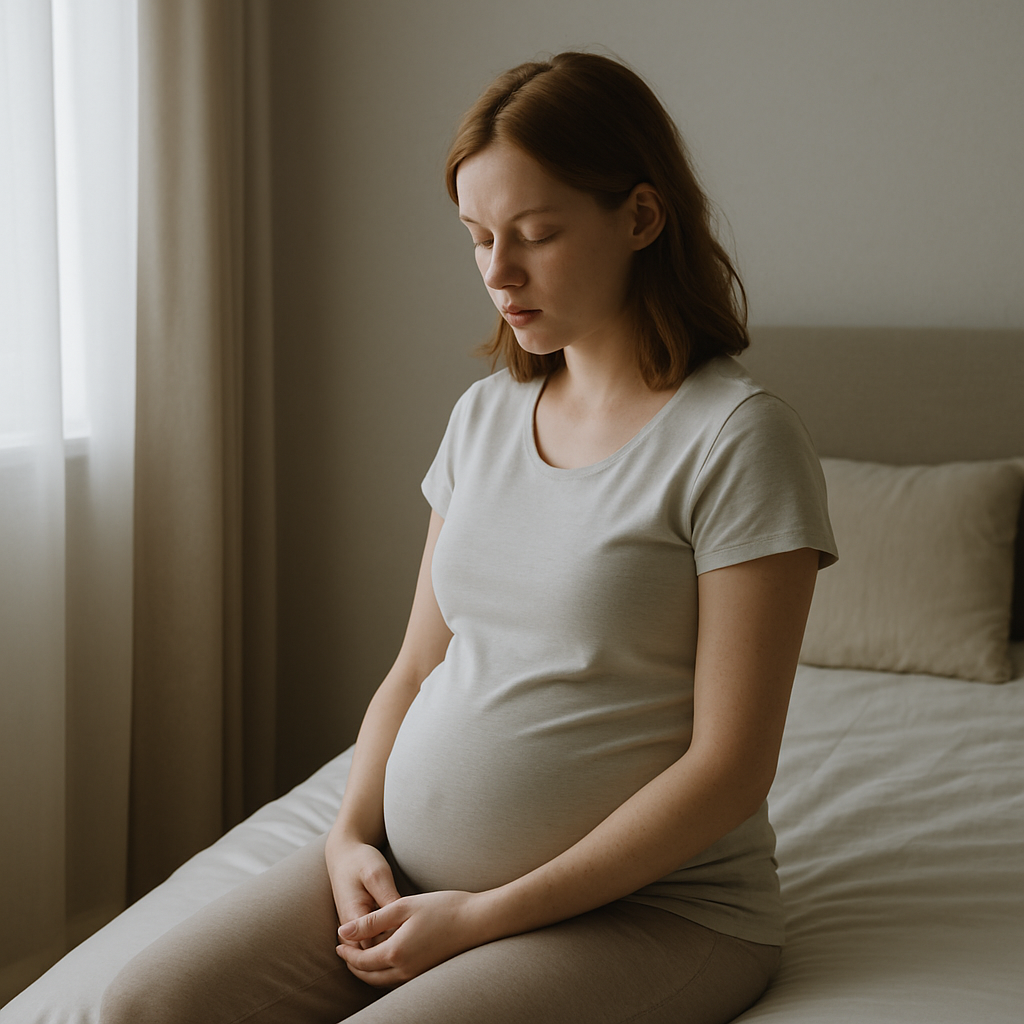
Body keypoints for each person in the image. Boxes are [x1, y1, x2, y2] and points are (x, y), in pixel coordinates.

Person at [102, 51, 837, 1024]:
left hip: (655, 911)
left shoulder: (736, 439)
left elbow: (729, 768)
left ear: (640, 217)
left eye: (535, 234)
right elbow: (417, 665)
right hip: (412, 874)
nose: (498, 272)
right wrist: (348, 838)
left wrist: (483, 917)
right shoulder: (484, 416)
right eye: (479, 237)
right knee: (146, 1005)